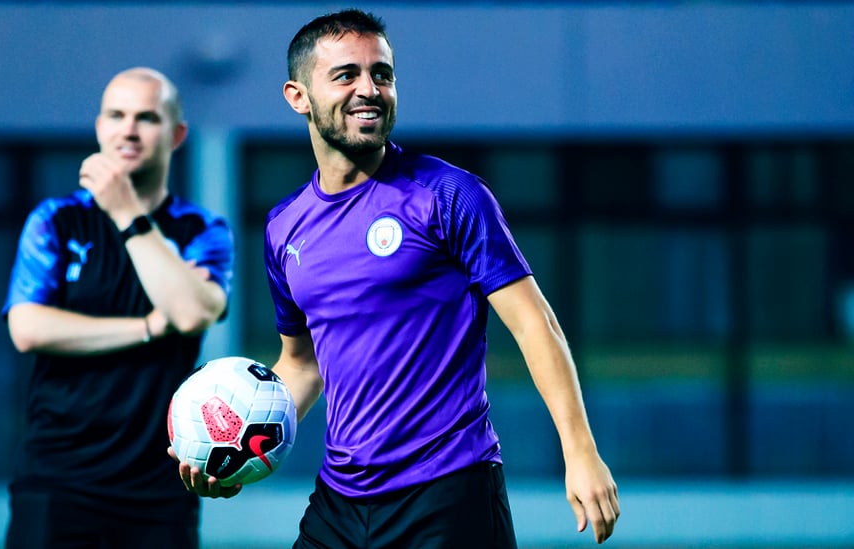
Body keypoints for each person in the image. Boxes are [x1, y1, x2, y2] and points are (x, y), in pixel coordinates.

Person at [176, 9, 620, 547]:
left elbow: (535, 325)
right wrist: (238, 446)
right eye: (346, 75)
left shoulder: (449, 195)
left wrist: (580, 454)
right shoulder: (283, 229)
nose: (370, 89)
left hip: (448, 494)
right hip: (339, 503)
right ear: (298, 97)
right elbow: (301, 365)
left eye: (381, 74)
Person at [2, 67, 233, 549]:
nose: (128, 129)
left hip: (159, 490)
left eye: (146, 117)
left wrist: (127, 213)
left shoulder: (202, 230)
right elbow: (27, 327)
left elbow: (192, 313)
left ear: (176, 135)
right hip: (56, 479)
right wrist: (149, 325)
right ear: (100, 128)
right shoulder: (56, 221)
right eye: (116, 115)